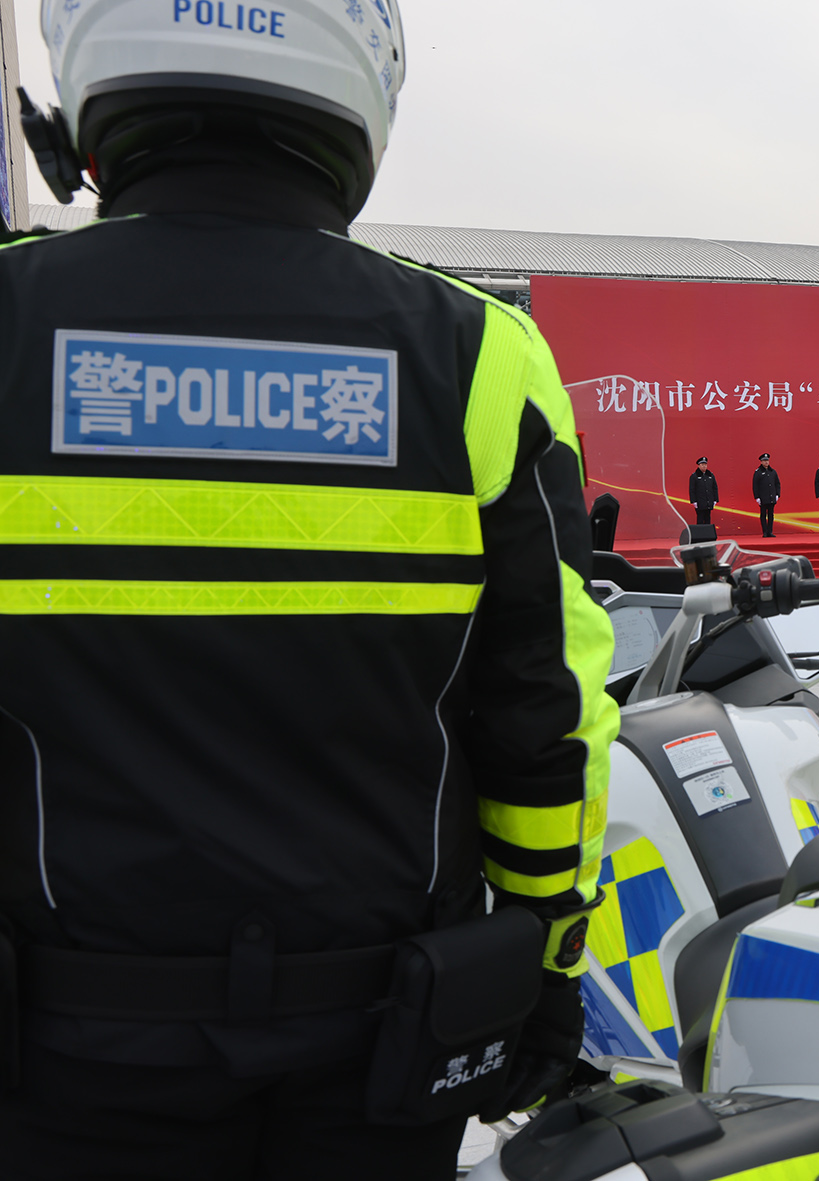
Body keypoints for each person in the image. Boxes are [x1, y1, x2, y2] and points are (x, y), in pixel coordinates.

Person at [0, 3, 618, 1175]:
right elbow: (546, 713)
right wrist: (547, 954)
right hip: (382, 1044)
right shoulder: (479, 353)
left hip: (60, 1045)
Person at [753, 452, 781, 537]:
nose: (766, 462)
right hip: (763, 498)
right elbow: (755, 485)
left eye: (767, 460)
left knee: (771, 515)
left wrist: (777, 494)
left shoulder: (773, 472)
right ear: (761, 462)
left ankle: (770, 531)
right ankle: (765, 532)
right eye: (764, 461)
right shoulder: (758, 472)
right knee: (763, 515)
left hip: (771, 497)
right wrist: (757, 497)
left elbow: (777, 483)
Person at [689, 456, 719, 526]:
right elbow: (692, 489)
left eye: (705, 464)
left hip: (708, 502)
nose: (704, 466)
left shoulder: (710, 475)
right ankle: (700, 533)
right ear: (699, 465)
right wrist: (694, 501)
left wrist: (715, 499)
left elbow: (715, 487)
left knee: (708, 519)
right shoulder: (694, 476)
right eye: (702, 464)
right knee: (700, 520)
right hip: (700, 502)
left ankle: (707, 532)